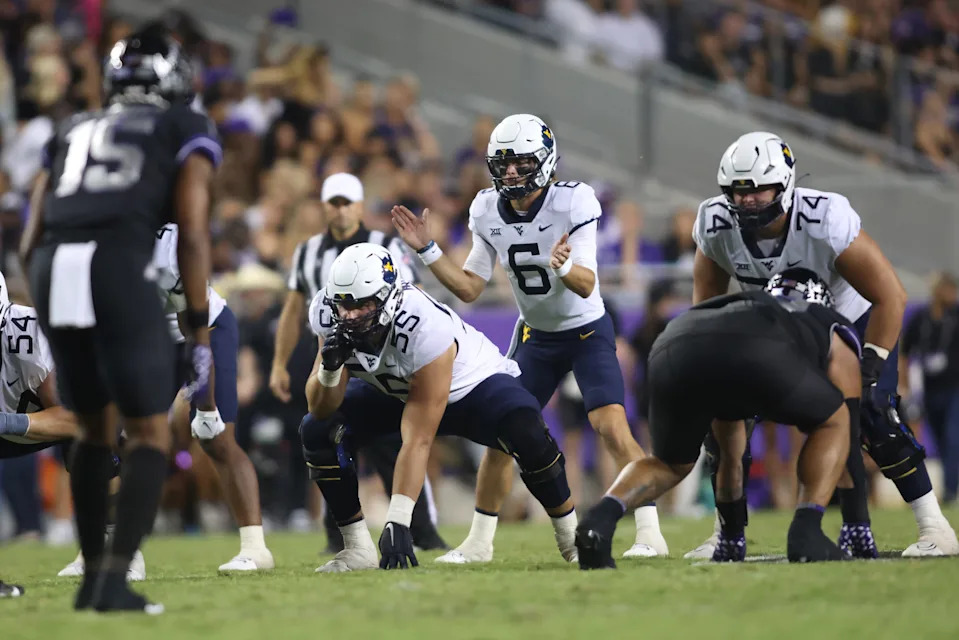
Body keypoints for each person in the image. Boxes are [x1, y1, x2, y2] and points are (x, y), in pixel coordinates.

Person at [391, 113, 667, 562]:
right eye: (504, 164)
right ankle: (479, 542)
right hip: (535, 335)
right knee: (503, 435)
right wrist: (428, 250)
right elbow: (469, 288)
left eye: (521, 163)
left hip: (585, 330)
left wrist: (560, 266)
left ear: (544, 161)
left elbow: (586, 284)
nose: (512, 173)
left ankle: (650, 531)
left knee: (611, 426)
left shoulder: (573, 203)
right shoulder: (485, 209)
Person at [20, 25, 219, 613]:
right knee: (150, 429)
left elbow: (33, 229)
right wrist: (200, 328)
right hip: (116, 262)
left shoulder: (73, 125)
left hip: (56, 264)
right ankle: (112, 581)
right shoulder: (185, 124)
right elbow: (192, 228)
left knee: (91, 428)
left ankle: (91, 581)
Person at [687, 130, 958, 559]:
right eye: (739, 192)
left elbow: (891, 296)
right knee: (725, 420)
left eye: (759, 189)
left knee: (871, 411)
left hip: (849, 324)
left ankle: (935, 525)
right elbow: (706, 305)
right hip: (772, 330)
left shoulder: (824, 217)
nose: (749, 201)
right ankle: (726, 535)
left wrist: (871, 365)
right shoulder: (716, 223)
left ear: (785, 183)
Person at [299, 243, 578, 571]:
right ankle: (357, 548)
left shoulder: (422, 322)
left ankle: (571, 538)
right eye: (343, 305)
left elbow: (418, 437)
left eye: (362, 305)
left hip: (470, 388)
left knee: (526, 427)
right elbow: (320, 407)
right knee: (318, 430)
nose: (350, 316)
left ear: (389, 297)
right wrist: (329, 369)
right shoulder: (327, 313)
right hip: (397, 392)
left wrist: (398, 523)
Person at [576, 270, 857, 568]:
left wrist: (732, 536)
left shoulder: (743, 303)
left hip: (674, 341)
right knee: (836, 420)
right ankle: (807, 530)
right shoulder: (822, 319)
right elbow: (848, 404)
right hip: (756, 345)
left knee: (669, 464)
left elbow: (729, 454)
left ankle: (599, 519)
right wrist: (857, 518)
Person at [57, 223, 275, 578]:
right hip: (143, 339)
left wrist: (204, 405)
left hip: (203, 329)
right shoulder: (84, 248)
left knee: (214, 435)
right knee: (112, 437)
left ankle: (255, 547)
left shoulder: (168, 249)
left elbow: (196, 328)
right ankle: (111, 548)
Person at [270, 172, 445, 552]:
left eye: (347, 202)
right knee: (325, 435)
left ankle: (421, 530)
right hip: (336, 359)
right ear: (323, 207)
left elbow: (410, 297)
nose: (340, 209)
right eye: (333, 202)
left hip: (385, 361)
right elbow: (293, 308)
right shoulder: (308, 251)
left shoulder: (385, 245)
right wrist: (279, 363)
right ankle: (340, 534)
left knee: (394, 442)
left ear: (360, 205)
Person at [900, 272, 959, 503]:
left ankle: (950, 491)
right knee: (941, 438)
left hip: (955, 387)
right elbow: (905, 352)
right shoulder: (921, 318)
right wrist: (904, 386)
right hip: (930, 390)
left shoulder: (956, 316)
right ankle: (947, 487)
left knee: (954, 437)